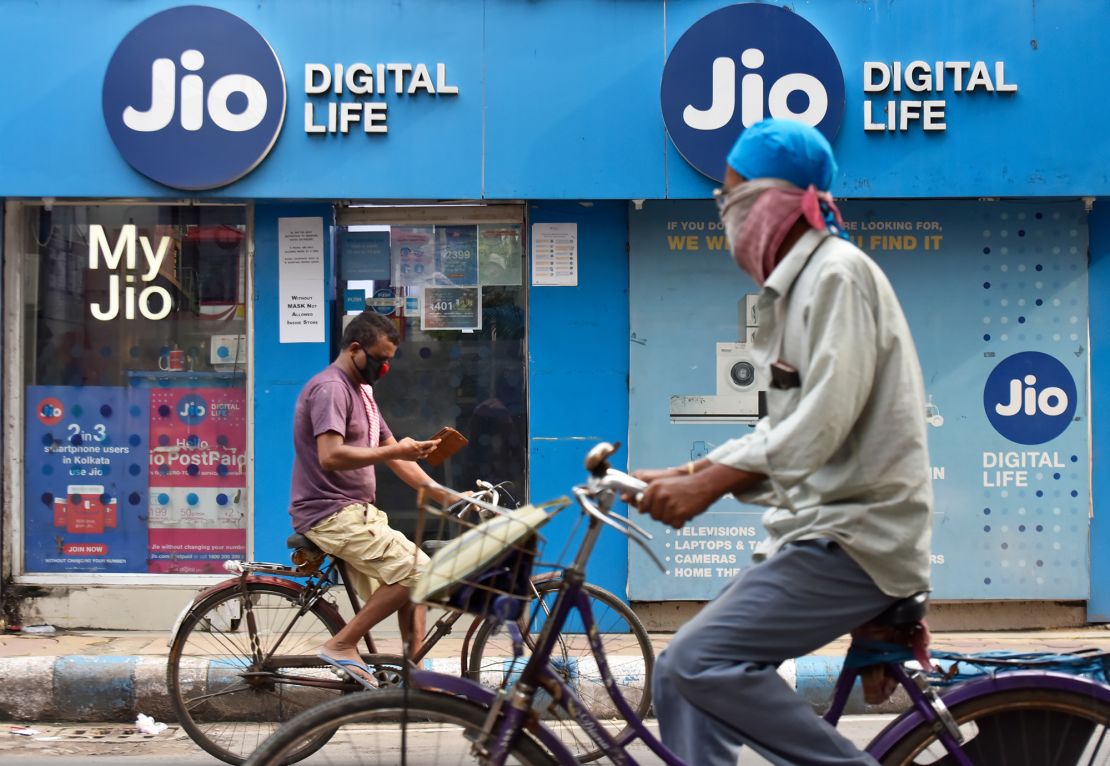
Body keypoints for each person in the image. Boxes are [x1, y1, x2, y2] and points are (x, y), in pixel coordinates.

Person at [636, 119, 933, 766]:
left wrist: (709, 485)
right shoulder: (795, 289)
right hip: (815, 532)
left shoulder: (837, 276)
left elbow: (821, 423)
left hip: (855, 538)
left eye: (734, 195)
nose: (724, 210)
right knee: (676, 680)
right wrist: (696, 467)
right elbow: (785, 431)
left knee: (697, 662)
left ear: (778, 199)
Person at [289, 310, 449, 688]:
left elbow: (393, 452)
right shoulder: (331, 389)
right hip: (331, 512)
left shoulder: (363, 393)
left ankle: (414, 675)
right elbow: (331, 454)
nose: (386, 367)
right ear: (356, 349)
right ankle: (342, 644)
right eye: (380, 359)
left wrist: (448, 496)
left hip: (358, 513)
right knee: (419, 570)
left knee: (411, 579)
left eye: (390, 359)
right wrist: (394, 453)